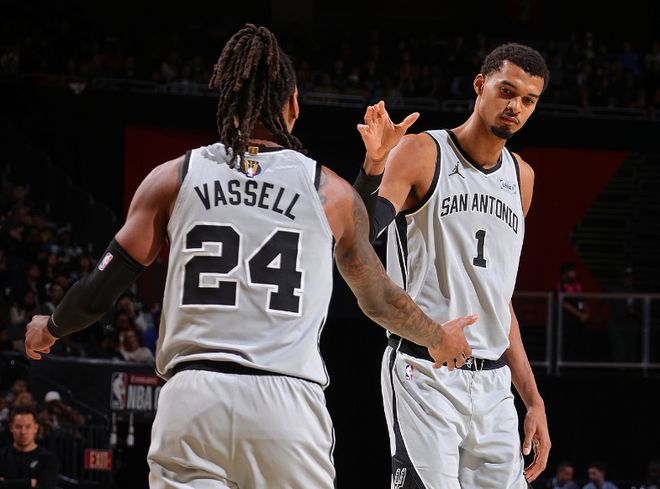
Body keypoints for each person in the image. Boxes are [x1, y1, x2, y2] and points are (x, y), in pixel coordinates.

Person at [23, 24, 476, 488]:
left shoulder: (173, 177)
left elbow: (101, 288)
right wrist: (437, 337)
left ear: (228, 99)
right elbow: (379, 298)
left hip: (192, 399)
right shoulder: (331, 192)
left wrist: (50, 326)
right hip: (286, 404)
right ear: (294, 104)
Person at [354, 42, 552, 488]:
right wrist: (374, 165)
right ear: (480, 85)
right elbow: (360, 237)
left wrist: (533, 399)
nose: (515, 107)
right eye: (506, 91)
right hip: (425, 370)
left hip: (495, 385)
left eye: (528, 100)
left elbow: (499, 301)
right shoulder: (423, 152)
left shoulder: (521, 177)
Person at [0, 406, 59, 489]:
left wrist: (6, 484)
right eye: (18, 427)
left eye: (28, 427)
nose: (23, 432)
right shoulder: (2, 456)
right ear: (11, 428)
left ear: (35, 428)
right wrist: (28, 482)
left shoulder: (48, 459)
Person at [557, 262, 589, 360]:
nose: (574, 273)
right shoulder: (561, 285)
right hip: (567, 320)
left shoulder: (577, 284)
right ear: (566, 272)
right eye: (571, 271)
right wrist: (579, 314)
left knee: (580, 344)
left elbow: (583, 300)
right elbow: (564, 303)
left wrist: (586, 313)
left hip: (580, 320)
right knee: (568, 344)